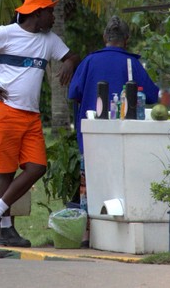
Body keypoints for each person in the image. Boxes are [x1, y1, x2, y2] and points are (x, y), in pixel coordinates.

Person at [0, 0, 80, 247]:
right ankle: (6, 229)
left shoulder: (49, 39)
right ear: (37, 14)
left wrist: (69, 63)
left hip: (31, 115)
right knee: (6, 170)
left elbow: (71, 56)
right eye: (50, 12)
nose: (54, 16)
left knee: (37, 167)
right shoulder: (5, 33)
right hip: (4, 110)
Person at [67, 15, 159, 246]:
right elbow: (151, 95)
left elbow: (74, 93)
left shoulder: (88, 62)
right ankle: (118, 234)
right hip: (123, 138)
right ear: (126, 40)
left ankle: (88, 234)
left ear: (104, 37)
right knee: (120, 181)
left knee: (89, 183)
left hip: (90, 138)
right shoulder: (132, 64)